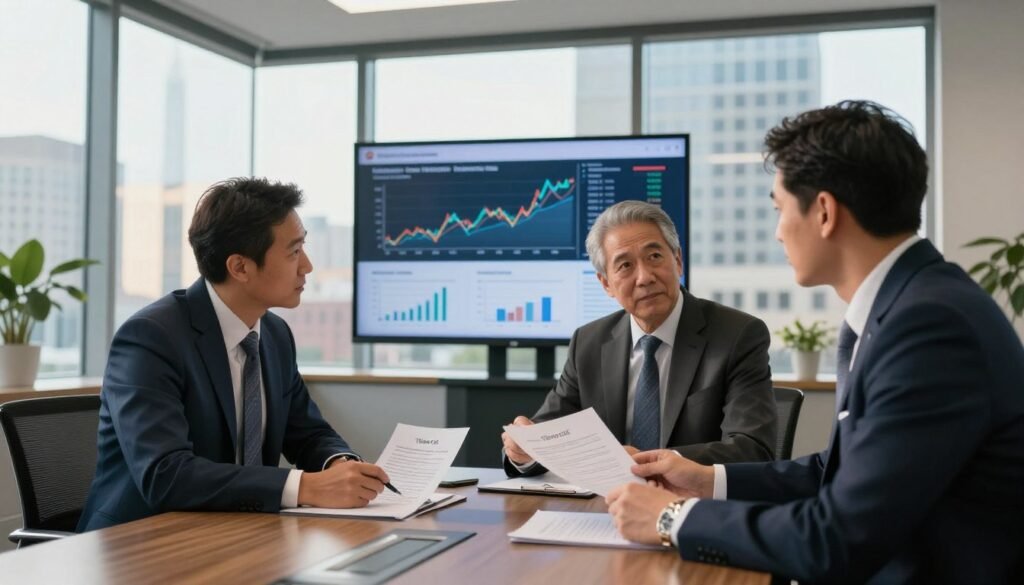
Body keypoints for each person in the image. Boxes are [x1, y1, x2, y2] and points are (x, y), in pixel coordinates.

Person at [607, 101, 1024, 584]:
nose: (778, 231)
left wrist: (670, 517)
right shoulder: (912, 304)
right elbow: (840, 470)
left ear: (824, 212)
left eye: (780, 209)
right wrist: (706, 480)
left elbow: (836, 539)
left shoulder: (929, 326)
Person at [78, 178, 390, 531]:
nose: (307, 266)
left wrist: (341, 466)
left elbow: (309, 434)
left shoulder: (274, 334)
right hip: (139, 544)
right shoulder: (151, 338)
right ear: (240, 267)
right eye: (293, 251)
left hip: (234, 533)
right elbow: (166, 474)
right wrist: (305, 487)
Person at [501, 200, 777, 478]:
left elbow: (752, 449)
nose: (645, 277)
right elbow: (545, 433)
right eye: (625, 265)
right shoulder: (588, 342)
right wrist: (524, 450)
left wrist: (657, 462)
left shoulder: (737, 335)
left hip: (695, 508)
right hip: (607, 509)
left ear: (678, 260)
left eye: (654, 257)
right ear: (606, 283)